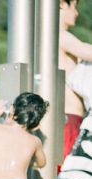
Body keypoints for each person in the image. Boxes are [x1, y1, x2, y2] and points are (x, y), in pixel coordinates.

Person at [59, 0, 92, 169]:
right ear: (61, 4)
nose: (77, 13)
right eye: (74, 6)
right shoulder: (60, 35)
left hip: (70, 119)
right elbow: (89, 52)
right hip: (69, 119)